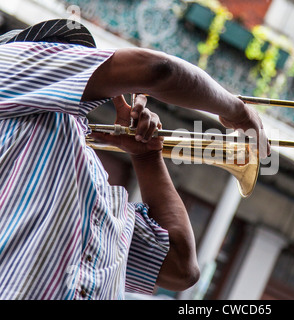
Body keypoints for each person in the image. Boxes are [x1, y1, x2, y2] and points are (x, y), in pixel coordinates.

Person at [0, 19, 269, 299]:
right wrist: (237, 111)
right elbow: (158, 70)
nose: (75, 60)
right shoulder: (6, 65)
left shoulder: (90, 185)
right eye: (58, 53)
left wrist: (147, 157)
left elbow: (181, 268)